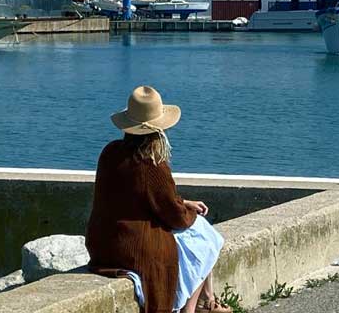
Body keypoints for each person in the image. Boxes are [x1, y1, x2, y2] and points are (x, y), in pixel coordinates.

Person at [86, 86, 231, 313]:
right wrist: (187, 210)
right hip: (132, 249)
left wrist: (183, 202)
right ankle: (192, 308)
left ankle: (206, 301)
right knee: (205, 237)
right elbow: (175, 218)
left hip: (102, 245)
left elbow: (137, 197)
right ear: (159, 130)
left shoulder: (110, 152)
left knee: (196, 235)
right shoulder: (151, 164)